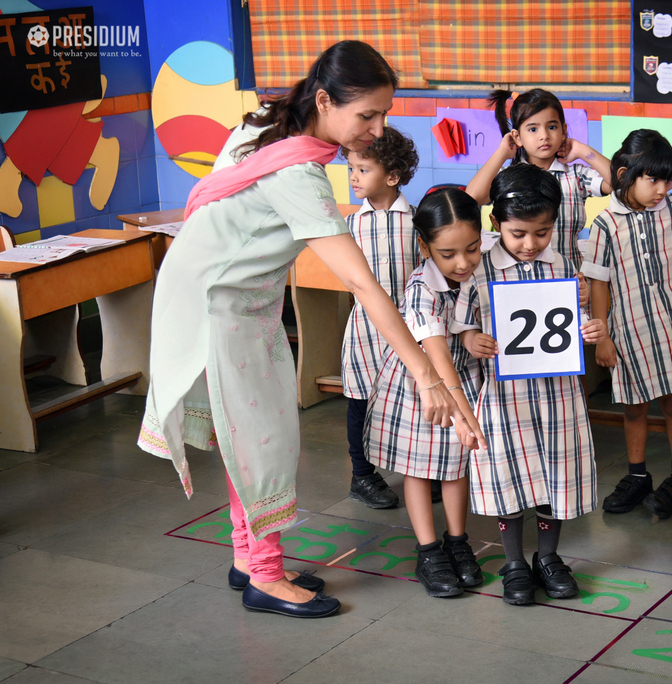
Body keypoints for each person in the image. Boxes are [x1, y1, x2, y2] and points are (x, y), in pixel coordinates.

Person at [137, 41, 476, 619]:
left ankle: (249, 559)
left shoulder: (261, 128)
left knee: (254, 436)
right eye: (366, 114)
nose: (376, 128)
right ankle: (264, 578)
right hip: (220, 309)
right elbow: (365, 286)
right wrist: (426, 375)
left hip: (228, 298)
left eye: (383, 114)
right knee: (262, 440)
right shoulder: (300, 173)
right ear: (325, 100)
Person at [452, 164, 608, 606]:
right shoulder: (480, 268)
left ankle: (549, 557)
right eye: (518, 233)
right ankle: (515, 561)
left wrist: (589, 329)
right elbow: (462, 323)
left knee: (555, 474)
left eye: (542, 232)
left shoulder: (560, 262)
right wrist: (471, 338)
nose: (530, 244)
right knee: (509, 476)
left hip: (557, 394)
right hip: (505, 397)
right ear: (496, 224)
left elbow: (569, 323)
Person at [583, 129, 672, 520]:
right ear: (627, 173)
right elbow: (599, 283)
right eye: (653, 179)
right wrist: (603, 337)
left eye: (668, 179)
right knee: (633, 406)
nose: (662, 188)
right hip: (629, 329)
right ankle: (638, 475)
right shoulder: (606, 224)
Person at [363, 188, 488, 597]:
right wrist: (463, 413)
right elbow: (436, 355)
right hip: (425, 386)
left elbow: (472, 317)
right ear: (424, 246)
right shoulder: (421, 287)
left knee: (456, 463)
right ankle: (429, 550)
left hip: (463, 377)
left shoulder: (482, 270)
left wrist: (470, 334)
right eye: (448, 254)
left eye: (472, 248)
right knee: (419, 468)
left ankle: (458, 540)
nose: (463, 262)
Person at [339, 126, 428, 509]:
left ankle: (425, 471)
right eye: (352, 169)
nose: (354, 177)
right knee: (360, 401)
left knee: (417, 400)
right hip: (365, 330)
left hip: (410, 327)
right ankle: (362, 475)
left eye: (363, 170)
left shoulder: (417, 221)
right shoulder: (351, 225)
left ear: (392, 177)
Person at [465, 88, 612, 266]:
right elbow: (472, 198)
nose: (544, 136)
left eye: (552, 127)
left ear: (563, 131)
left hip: (566, 276)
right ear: (517, 137)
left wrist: (582, 150)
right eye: (533, 129)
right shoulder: (509, 178)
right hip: (517, 278)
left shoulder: (576, 176)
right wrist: (502, 152)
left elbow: (618, 183)